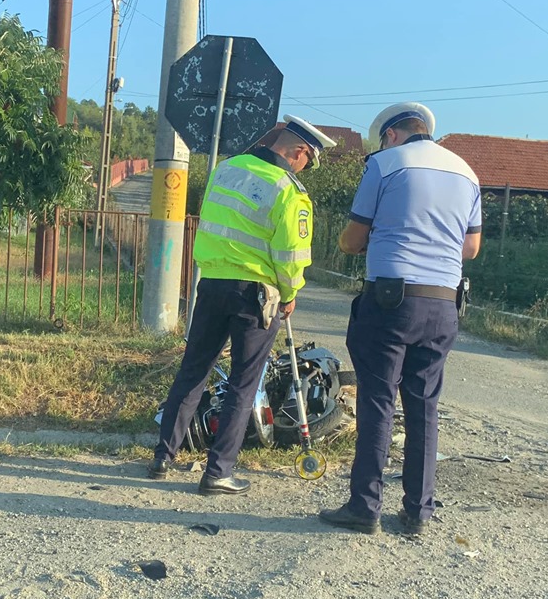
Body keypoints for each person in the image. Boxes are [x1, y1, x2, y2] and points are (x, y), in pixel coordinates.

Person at [148, 115, 336, 495]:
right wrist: (290, 294)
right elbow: (290, 256)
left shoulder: (226, 169)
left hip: (212, 283)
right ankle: (218, 472)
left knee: (193, 371)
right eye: (308, 162)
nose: (305, 169)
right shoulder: (290, 192)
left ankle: (162, 457)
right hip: (256, 296)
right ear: (300, 152)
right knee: (243, 383)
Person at [319, 102, 481, 535]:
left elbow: (351, 240)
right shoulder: (467, 172)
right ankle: (417, 512)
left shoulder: (385, 165)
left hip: (392, 301)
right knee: (424, 406)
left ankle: (364, 507)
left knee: (378, 401)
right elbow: (470, 248)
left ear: (390, 135)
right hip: (443, 304)